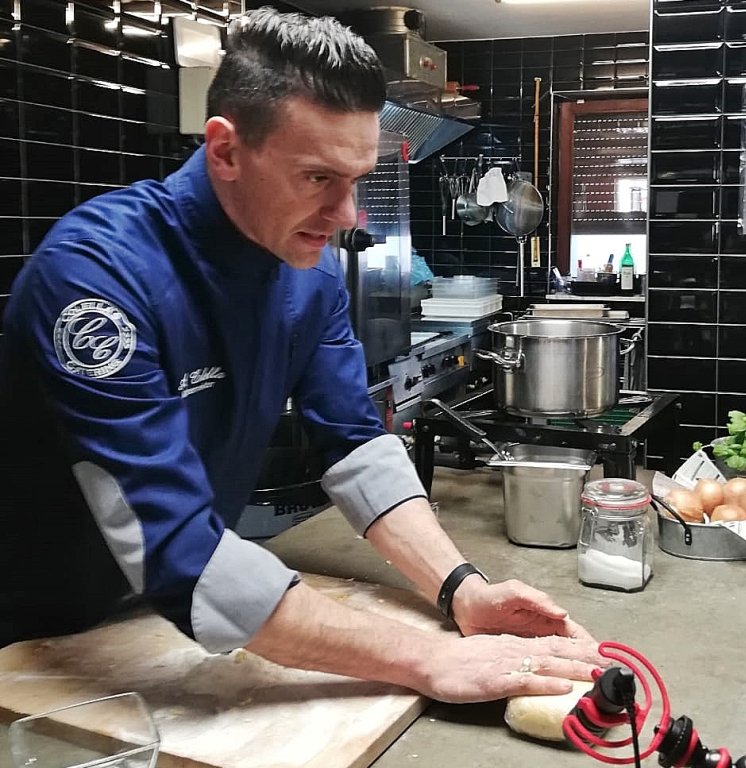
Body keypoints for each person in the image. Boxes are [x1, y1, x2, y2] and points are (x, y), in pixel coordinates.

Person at [0, 8, 602, 703]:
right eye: (317, 178)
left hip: (163, 626)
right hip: (34, 641)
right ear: (226, 151)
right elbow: (179, 552)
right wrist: (428, 659)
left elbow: (355, 445)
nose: (347, 216)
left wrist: (461, 588)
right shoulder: (96, 280)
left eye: (357, 178)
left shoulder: (307, 276)